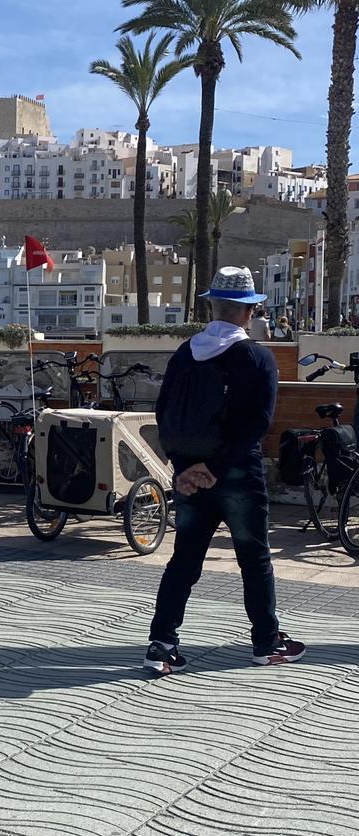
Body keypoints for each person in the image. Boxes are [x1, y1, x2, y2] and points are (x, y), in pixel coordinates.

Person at [146, 266, 305, 676]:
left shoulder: (185, 353)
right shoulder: (257, 357)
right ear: (248, 313)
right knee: (254, 559)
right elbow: (258, 424)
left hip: (189, 476)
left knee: (184, 560)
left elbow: (164, 413)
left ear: (211, 306)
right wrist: (214, 467)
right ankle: (266, 644)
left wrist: (185, 469)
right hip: (237, 474)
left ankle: (162, 644)